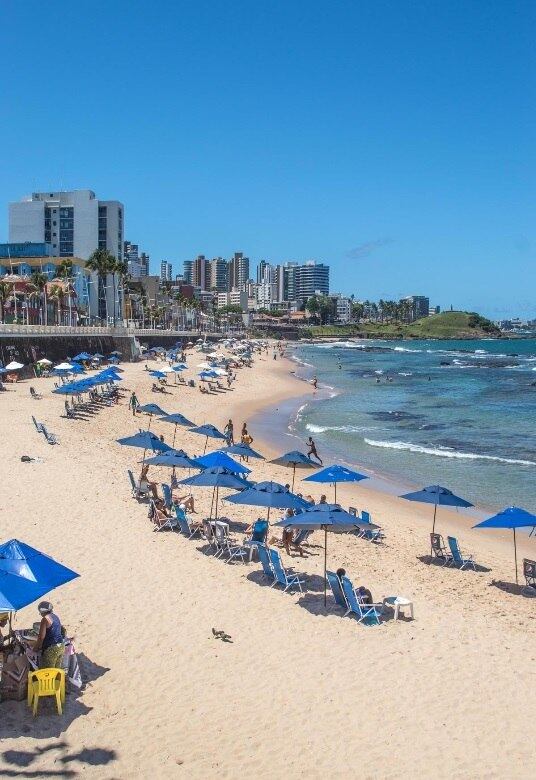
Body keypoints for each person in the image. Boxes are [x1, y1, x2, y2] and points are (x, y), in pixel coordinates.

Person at [34, 602, 64, 669]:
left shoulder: (45, 619)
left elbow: (41, 637)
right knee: (57, 670)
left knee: (48, 671)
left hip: (52, 649)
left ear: (42, 611)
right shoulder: (55, 616)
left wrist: (35, 648)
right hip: (61, 646)